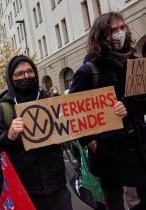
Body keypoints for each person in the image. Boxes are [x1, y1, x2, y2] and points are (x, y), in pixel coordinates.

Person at [69, 12, 146, 210]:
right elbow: (73, 115)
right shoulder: (88, 72)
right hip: (109, 156)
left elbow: (140, 105)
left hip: (138, 148)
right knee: (115, 205)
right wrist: (95, 145)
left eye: (122, 27)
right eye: (113, 30)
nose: (120, 33)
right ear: (101, 35)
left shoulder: (133, 63)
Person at [0, 55, 73, 210]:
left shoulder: (51, 100)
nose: (26, 76)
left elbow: (78, 124)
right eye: (19, 74)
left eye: (29, 71)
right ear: (11, 78)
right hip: (24, 192)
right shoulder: (3, 109)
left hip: (58, 187)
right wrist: (9, 136)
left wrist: (111, 113)